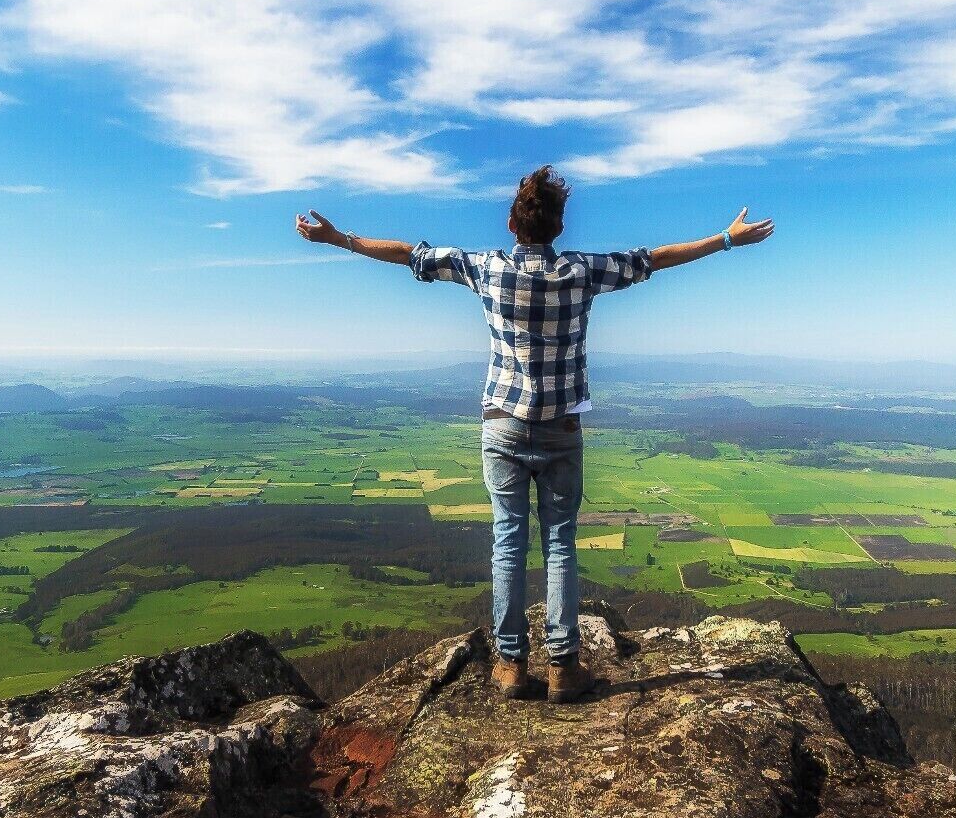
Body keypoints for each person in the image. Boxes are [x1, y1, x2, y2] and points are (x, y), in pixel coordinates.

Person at [295, 166, 774, 703]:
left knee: (508, 539)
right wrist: (726, 239)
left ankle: (509, 665)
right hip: (562, 428)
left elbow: (408, 253)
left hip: (502, 424)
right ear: (560, 225)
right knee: (560, 543)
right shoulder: (583, 271)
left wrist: (339, 239)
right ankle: (565, 669)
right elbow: (655, 258)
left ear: (511, 223)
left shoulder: (486, 267)